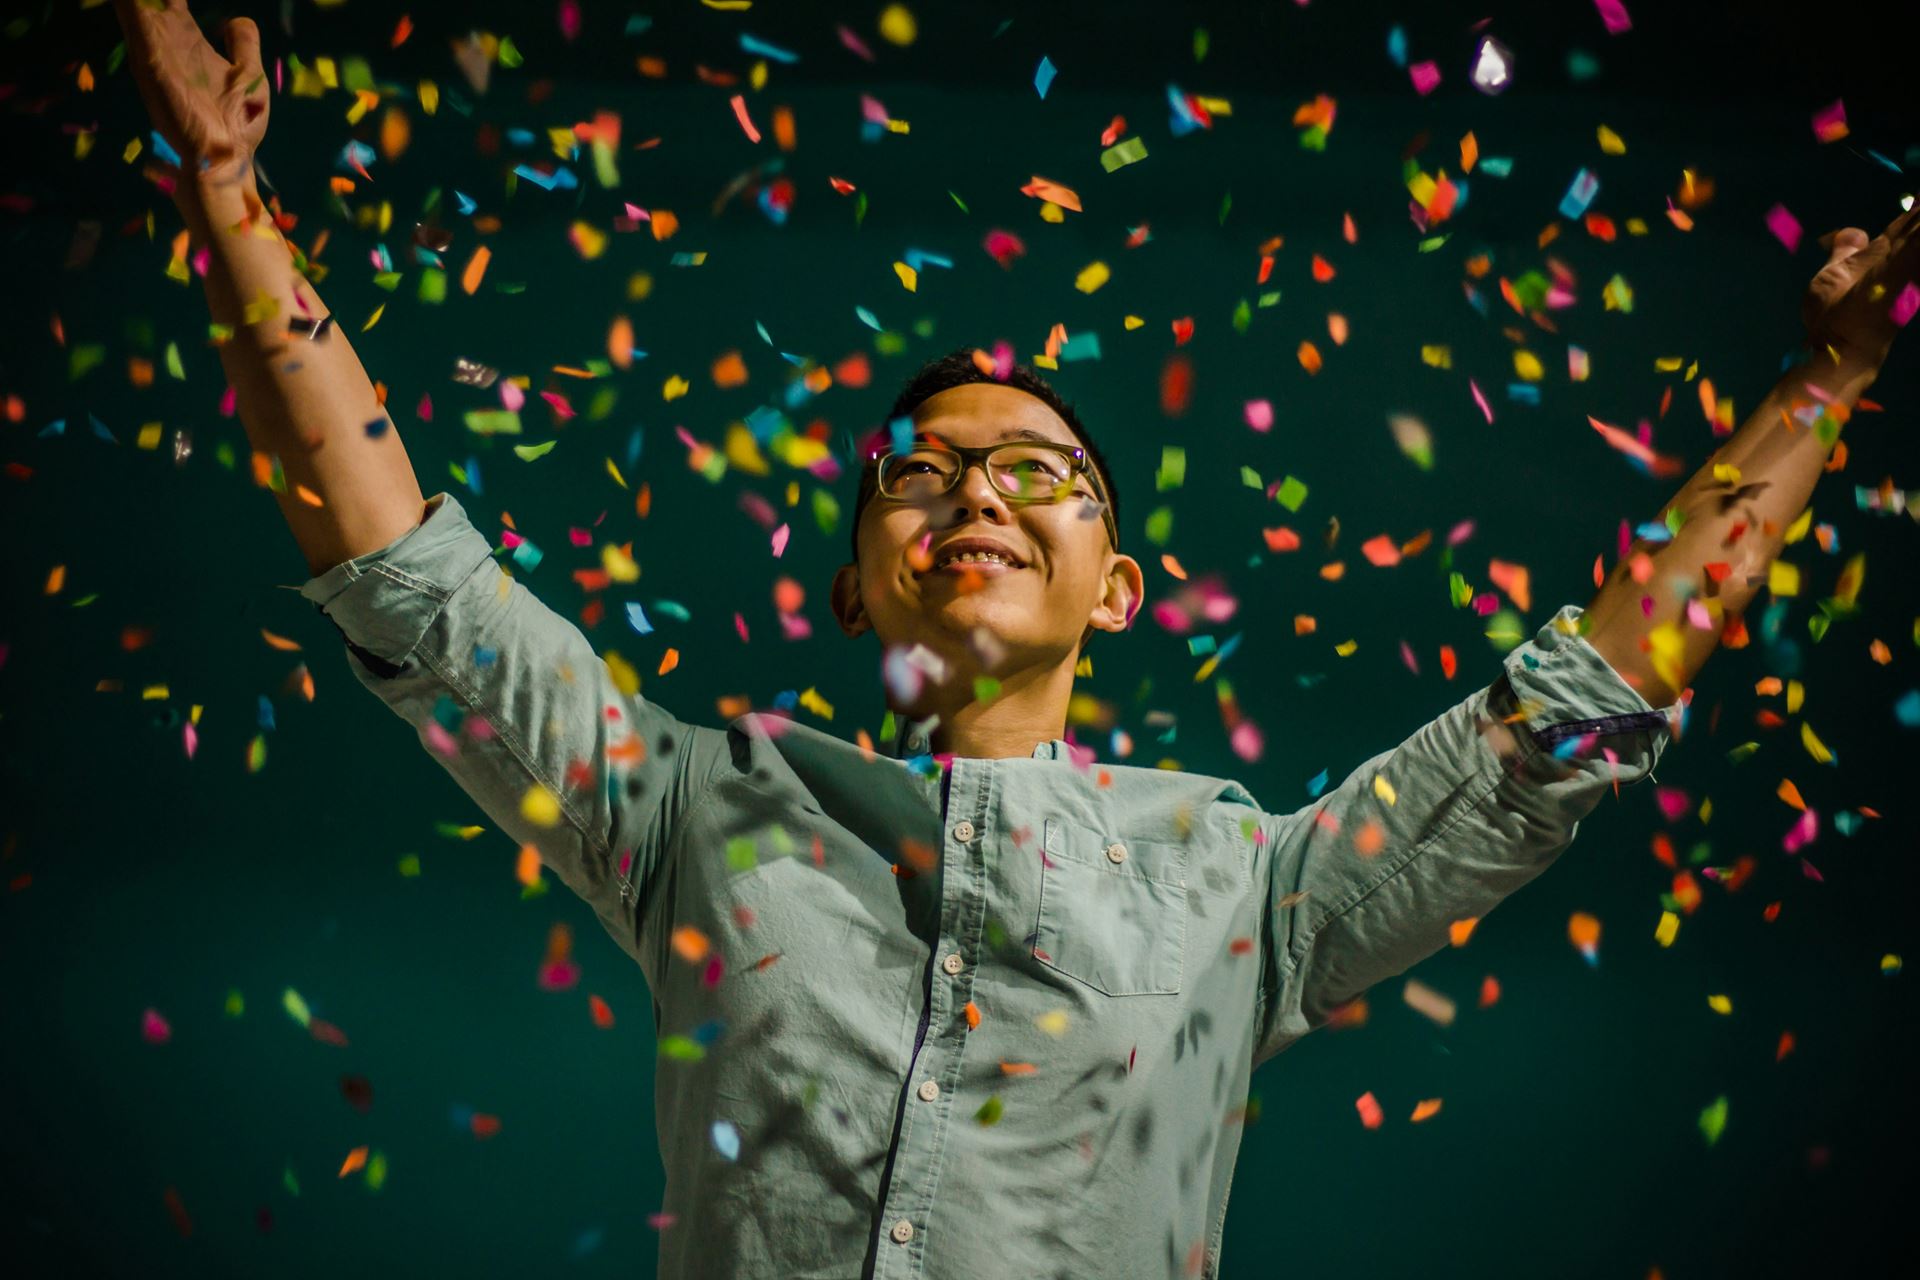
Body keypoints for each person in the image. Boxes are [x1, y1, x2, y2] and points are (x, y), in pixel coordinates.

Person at [114, 2, 1916, 1276]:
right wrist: (225, 194)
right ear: (857, 574)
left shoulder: (1251, 886)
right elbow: (404, 567)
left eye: (1037, 471)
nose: (975, 491)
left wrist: (1830, 377)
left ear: (1116, 587)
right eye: (925, 471)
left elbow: (1570, 714)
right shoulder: (687, 809)